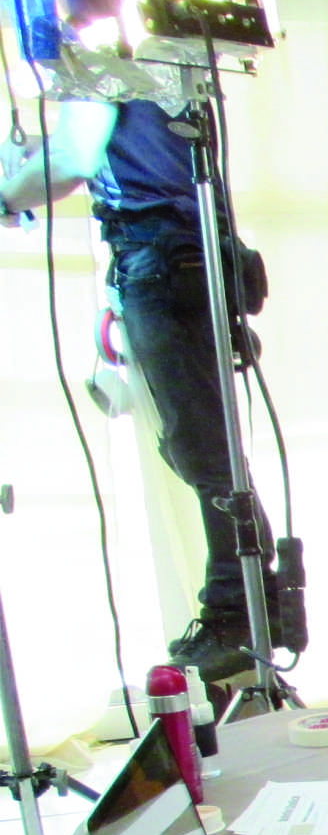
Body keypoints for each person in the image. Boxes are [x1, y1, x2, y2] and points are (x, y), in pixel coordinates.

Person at [3, 95, 278, 681]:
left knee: (204, 450)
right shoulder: (152, 66)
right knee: (203, 446)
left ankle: (239, 614)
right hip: (179, 256)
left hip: (162, 259)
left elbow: (75, 156)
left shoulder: (101, 55)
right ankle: (249, 605)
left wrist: (7, 195)